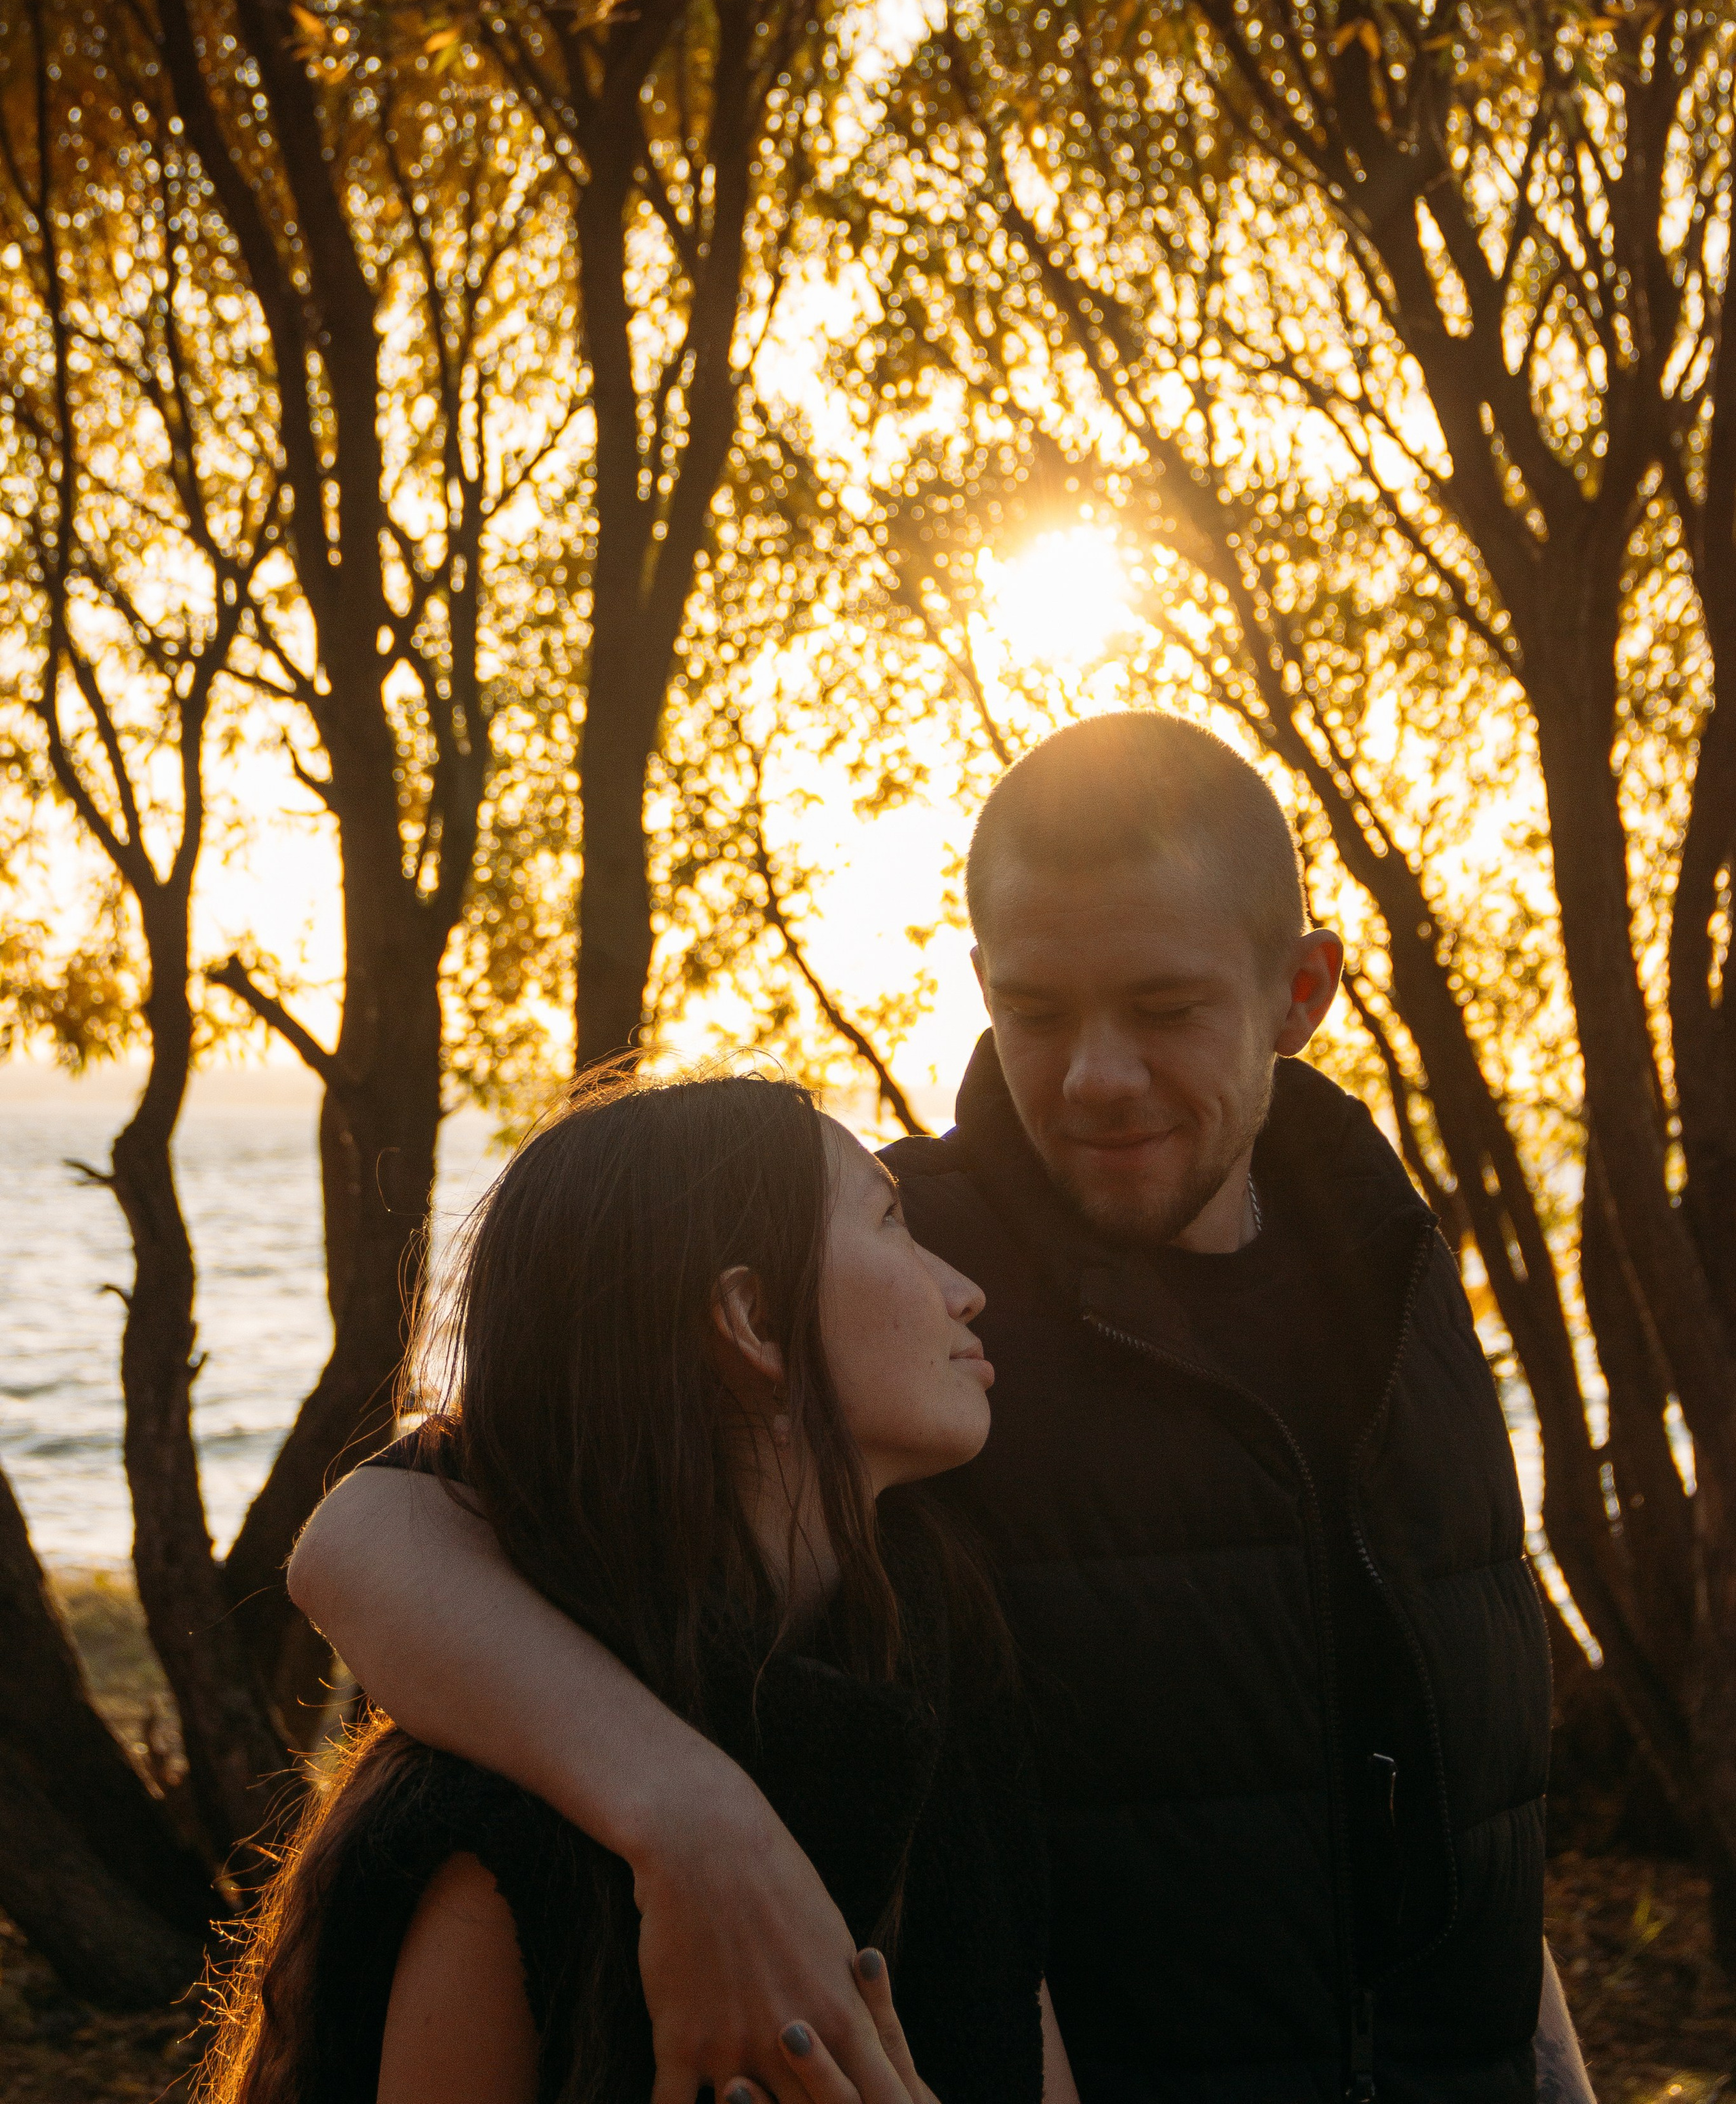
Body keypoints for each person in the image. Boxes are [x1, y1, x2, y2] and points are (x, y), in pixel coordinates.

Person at [290, 714, 1597, 2104]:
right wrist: (686, 1816)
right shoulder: (902, 1310)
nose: (1095, 1076)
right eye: (1036, 1013)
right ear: (979, 985)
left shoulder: (1392, 1274)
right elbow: (376, 1538)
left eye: (1162, 1009)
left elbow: (1463, 1789)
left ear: (1299, 991)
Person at [201, 1068, 1076, 2104]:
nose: (962, 1287)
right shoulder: (502, 1850)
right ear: (754, 1320)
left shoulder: (937, 1689)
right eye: (891, 1223)